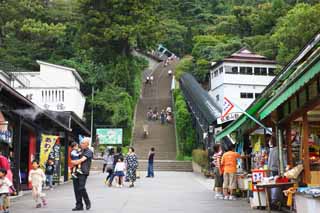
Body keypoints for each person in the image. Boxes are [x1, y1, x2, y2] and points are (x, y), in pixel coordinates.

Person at [71, 137, 93, 211]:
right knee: (76, 189)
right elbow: (73, 157)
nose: (81, 144)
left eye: (83, 143)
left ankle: (87, 202)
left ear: (87, 144)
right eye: (81, 143)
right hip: (75, 171)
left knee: (81, 187)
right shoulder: (79, 150)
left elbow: (82, 160)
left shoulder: (89, 151)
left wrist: (76, 162)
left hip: (83, 172)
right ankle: (79, 205)